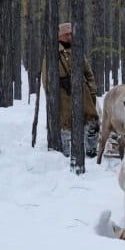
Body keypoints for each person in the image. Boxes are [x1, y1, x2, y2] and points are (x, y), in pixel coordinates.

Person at [42, 22, 99, 157]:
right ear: (59, 36)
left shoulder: (77, 51)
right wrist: (51, 97)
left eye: (70, 34)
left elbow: (88, 73)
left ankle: (91, 150)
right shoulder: (52, 53)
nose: (69, 36)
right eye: (66, 34)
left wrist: (91, 90)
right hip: (62, 94)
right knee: (66, 125)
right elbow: (46, 79)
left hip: (82, 92)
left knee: (92, 119)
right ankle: (67, 153)